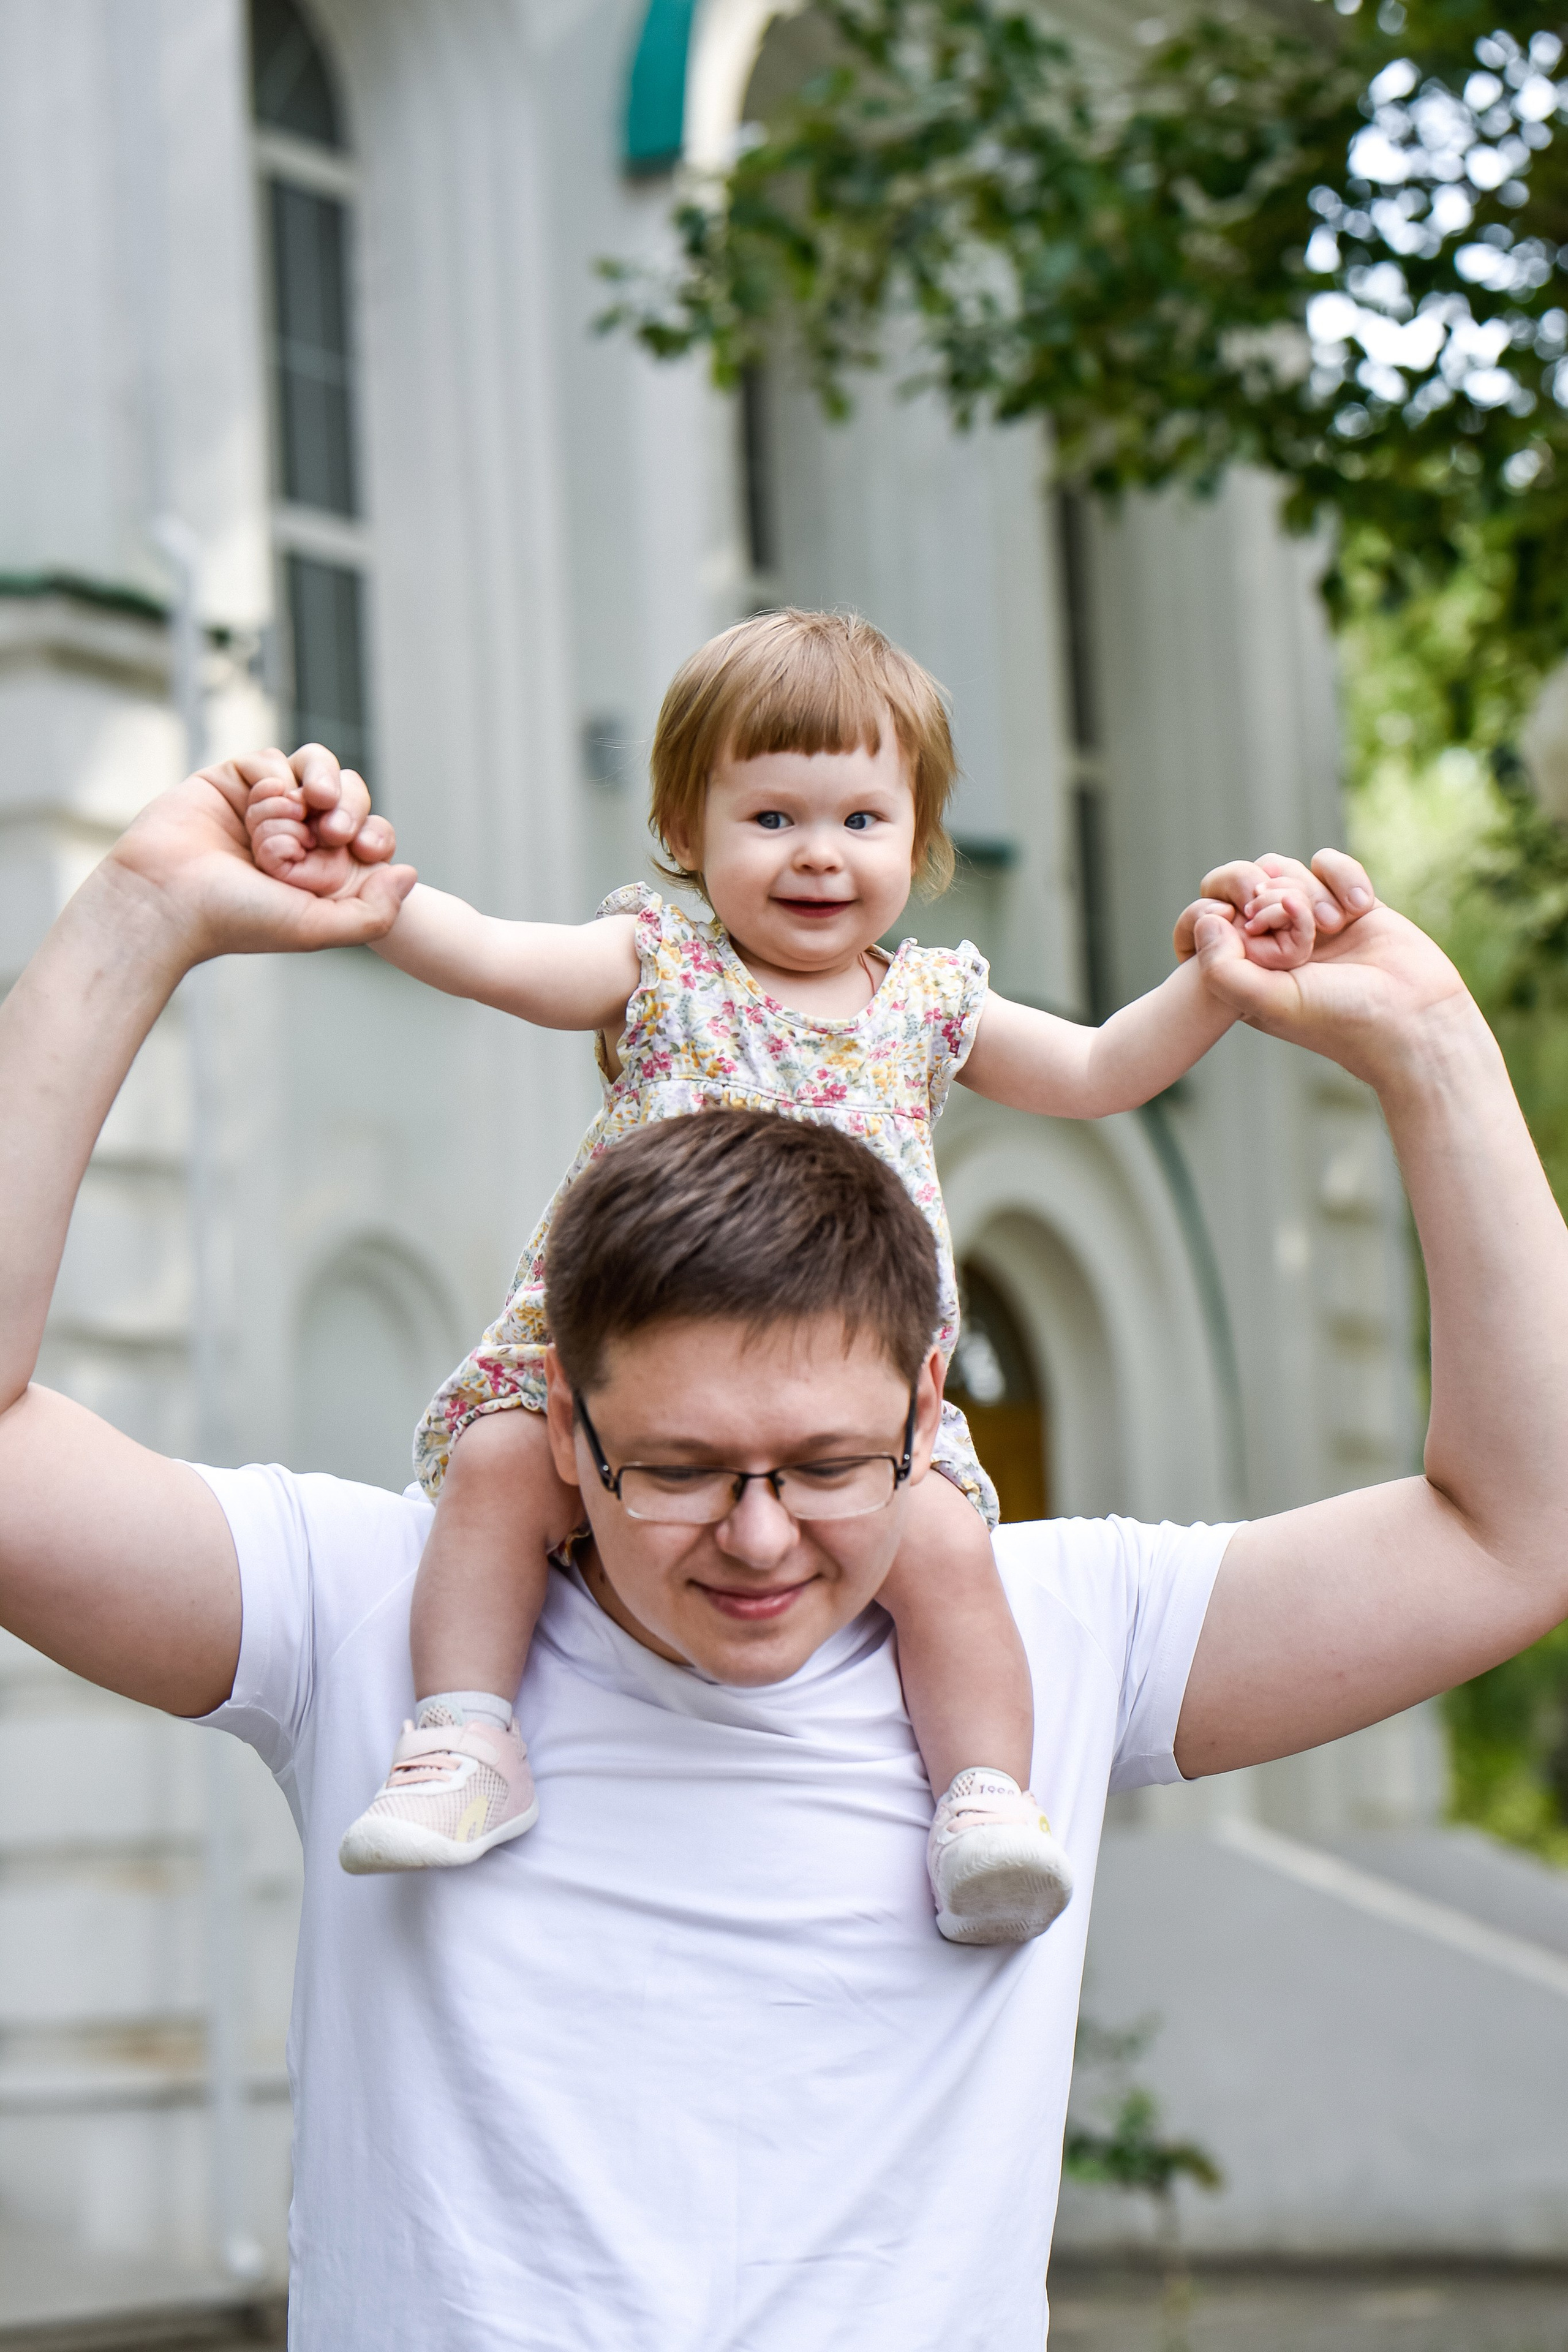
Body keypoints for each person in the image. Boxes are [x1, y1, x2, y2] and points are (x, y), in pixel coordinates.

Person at [5, 745, 1568, 2352]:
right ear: (559, 1425)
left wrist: (1439, 1051)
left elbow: (1520, 1531)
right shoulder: (370, 1609)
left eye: (828, 1468)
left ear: (927, 1401)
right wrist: (138, 913)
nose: (758, 1540)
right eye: (676, 1469)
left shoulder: (1053, 1632)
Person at [243, 610, 1317, 1943]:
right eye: (770, 816)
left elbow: (1100, 1072)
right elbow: (499, 960)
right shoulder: (662, 963)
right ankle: (466, 1737)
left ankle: (982, 1796)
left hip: (834, 1392)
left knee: (941, 1547)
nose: (817, 853)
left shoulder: (927, 1005)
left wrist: (1215, 985)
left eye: (861, 819)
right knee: (497, 1472)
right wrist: (378, 904)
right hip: (639, 1361)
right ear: (686, 834)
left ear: (916, 842)